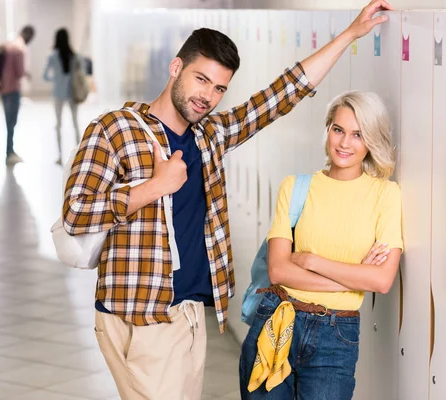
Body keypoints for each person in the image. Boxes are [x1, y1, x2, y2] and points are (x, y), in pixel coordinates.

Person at [62, 1, 392, 398]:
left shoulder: (209, 136)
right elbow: (75, 212)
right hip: (140, 313)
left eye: (219, 87)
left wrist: (351, 34)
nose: (208, 96)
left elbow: (279, 96)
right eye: (201, 80)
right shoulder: (114, 130)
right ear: (175, 67)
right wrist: (153, 187)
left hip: (188, 313)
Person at [238, 91, 403, 399]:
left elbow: (381, 280)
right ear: (327, 129)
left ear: (371, 140)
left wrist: (311, 261)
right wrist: (352, 278)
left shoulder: (385, 195)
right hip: (277, 320)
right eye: (338, 130)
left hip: (336, 335)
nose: (344, 143)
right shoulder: (295, 187)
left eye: (358, 134)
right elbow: (277, 270)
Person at [43, 28, 82, 164]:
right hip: (72, 93)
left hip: (58, 93)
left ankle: (60, 156)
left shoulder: (52, 56)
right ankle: (80, 154)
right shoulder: (74, 55)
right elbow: (81, 70)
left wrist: (56, 79)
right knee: (75, 123)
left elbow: (45, 76)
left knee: (58, 125)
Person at [0, 25, 35, 166]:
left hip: (2, 88)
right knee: (11, 123)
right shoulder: (20, 49)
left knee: (8, 122)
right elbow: (19, 73)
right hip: (13, 89)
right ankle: (10, 152)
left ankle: (10, 151)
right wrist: (26, 73)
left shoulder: (8, 45)